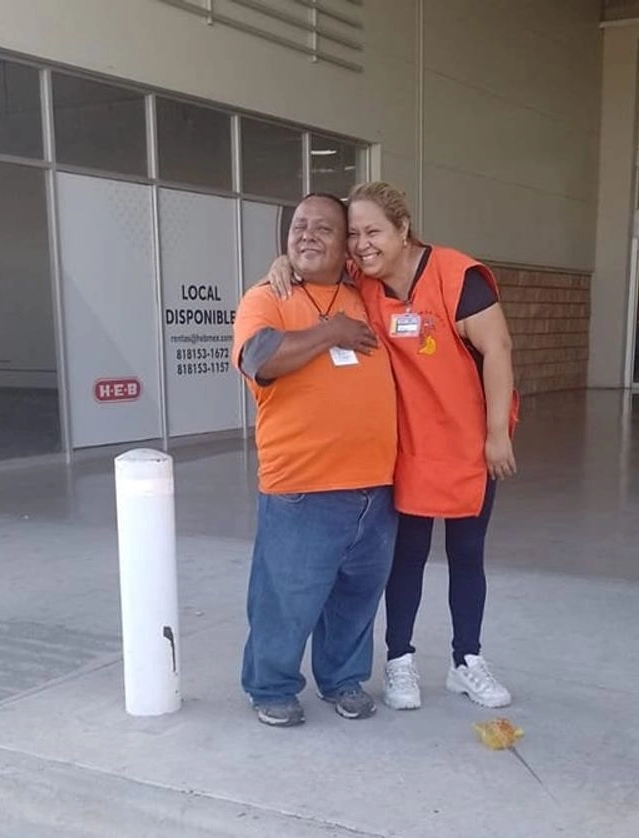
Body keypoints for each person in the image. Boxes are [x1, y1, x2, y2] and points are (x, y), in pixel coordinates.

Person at [266, 181, 518, 711]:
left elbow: (497, 350)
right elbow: (320, 260)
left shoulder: (458, 277)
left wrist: (497, 436)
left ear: (404, 229)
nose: (361, 244)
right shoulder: (365, 282)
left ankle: (465, 661)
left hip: (468, 444)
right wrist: (282, 264)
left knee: (466, 554)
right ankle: (399, 661)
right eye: (354, 234)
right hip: (407, 446)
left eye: (373, 231)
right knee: (406, 557)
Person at [233, 193, 399, 727]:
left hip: (376, 487)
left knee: (355, 597)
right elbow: (261, 359)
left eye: (324, 228)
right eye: (298, 226)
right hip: (302, 487)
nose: (306, 235)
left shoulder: (366, 293)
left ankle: (343, 679)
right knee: (286, 598)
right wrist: (330, 332)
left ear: (345, 242)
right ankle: (271, 685)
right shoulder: (266, 296)